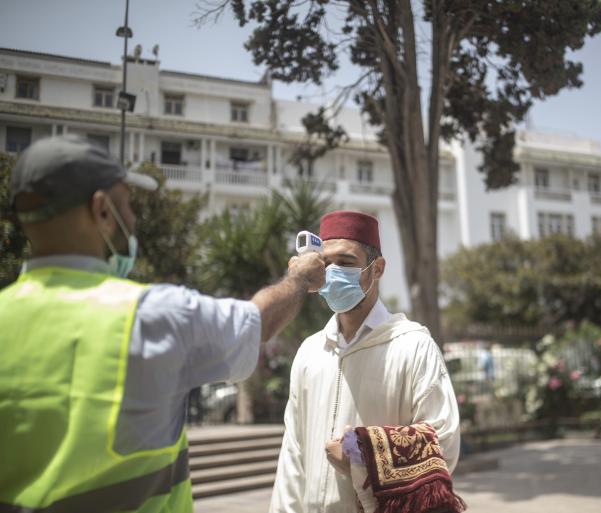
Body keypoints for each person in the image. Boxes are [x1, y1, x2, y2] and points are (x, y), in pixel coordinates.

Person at [0, 135, 325, 513]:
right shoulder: (155, 316)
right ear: (102, 211)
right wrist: (300, 278)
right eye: (128, 205)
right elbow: (258, 322)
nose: (134, 218)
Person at [269, 210, 461, 513]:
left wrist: (362, 458)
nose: (333, 272)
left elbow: (443, 442)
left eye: (345, 263)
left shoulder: (411, 345)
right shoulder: (310, 351)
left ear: (377, 269)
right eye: (326, 263)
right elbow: (294, 453)